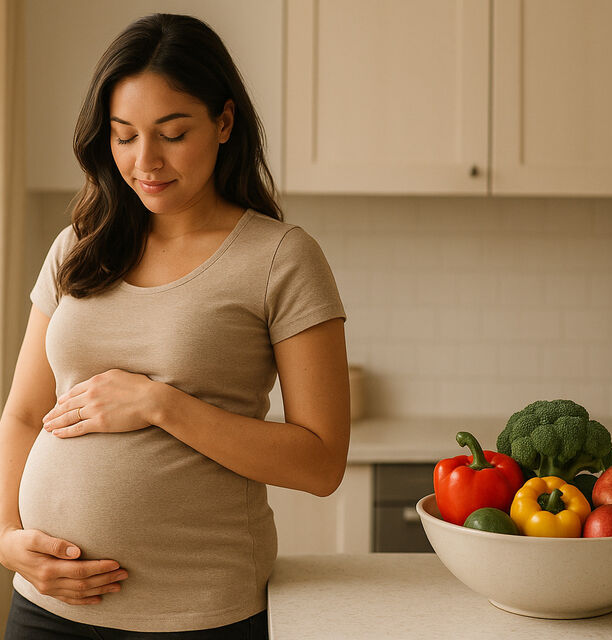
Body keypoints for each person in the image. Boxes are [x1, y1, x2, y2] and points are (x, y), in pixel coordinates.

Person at [0, 13, 349, 639]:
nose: (146, 161)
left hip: (199, 616)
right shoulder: (79, 245)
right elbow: (24, 413)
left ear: (223, 122)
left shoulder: (280, 257)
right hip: (47, 607)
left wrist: (162, 405)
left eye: (172, 133)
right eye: (124, 135)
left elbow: (321, 464)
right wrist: (4, 538)